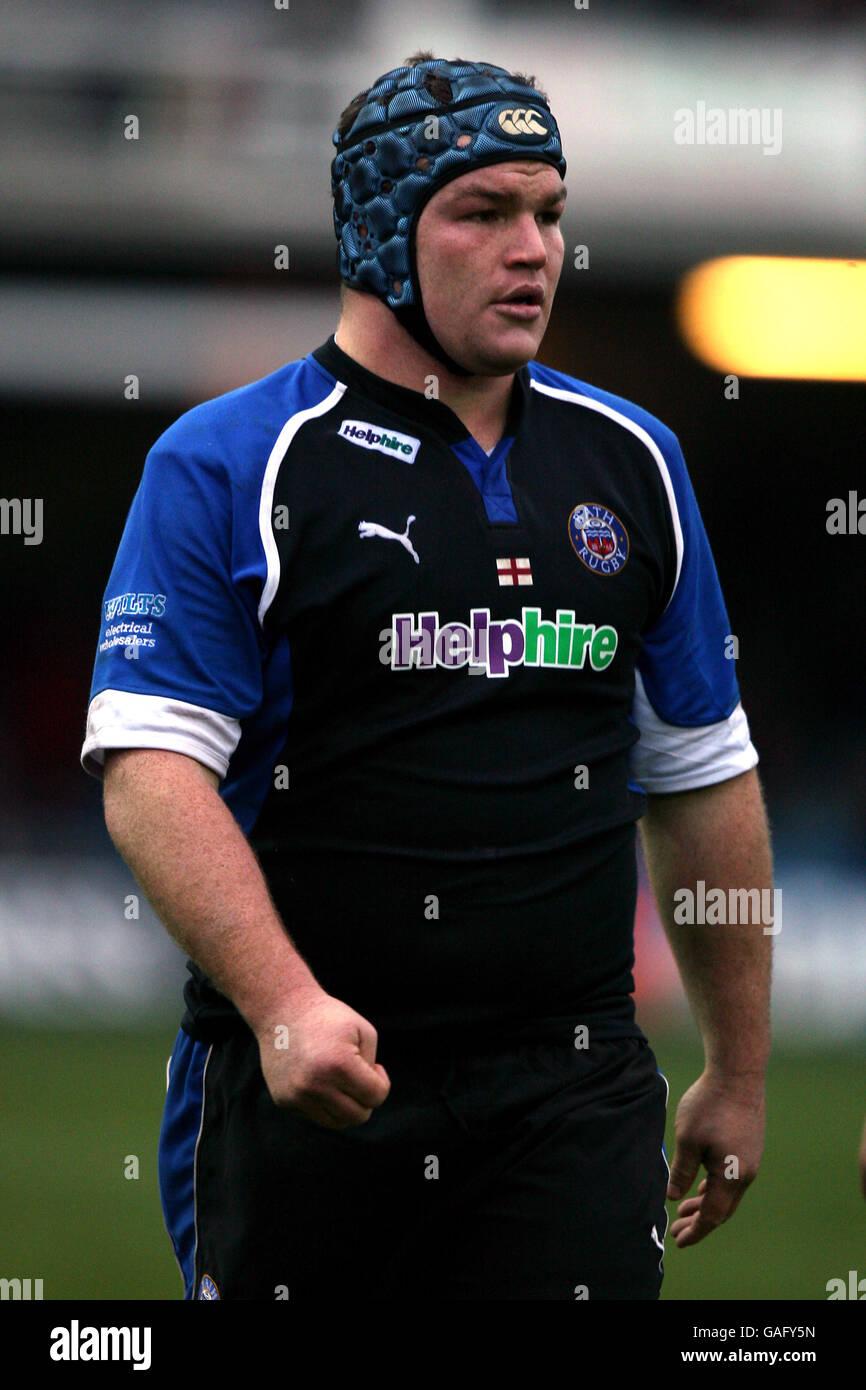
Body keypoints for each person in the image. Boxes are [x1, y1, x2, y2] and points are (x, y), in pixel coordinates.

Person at [81, 52, 773, 1301]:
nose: (533, 250)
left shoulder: (634, 461)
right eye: (484, 211)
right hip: (313, 1090)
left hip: (570, 1093)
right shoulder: (228, 463)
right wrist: (284, 1004)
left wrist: (737, 1065)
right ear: (380, 231)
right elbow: (150, 771)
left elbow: (702, 772)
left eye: (550, 214)